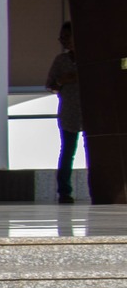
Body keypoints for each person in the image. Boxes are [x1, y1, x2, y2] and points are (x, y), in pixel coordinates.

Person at [48, 22, 82, 204]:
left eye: (66, 37)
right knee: (68, 151)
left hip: (90, 114)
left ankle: (96, 188)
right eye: (62, 38)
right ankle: (64, 191)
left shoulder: (92, 58)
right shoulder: (61, 61)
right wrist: (62, 81)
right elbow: (50, 85)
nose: (63, 41)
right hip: (69, 112)